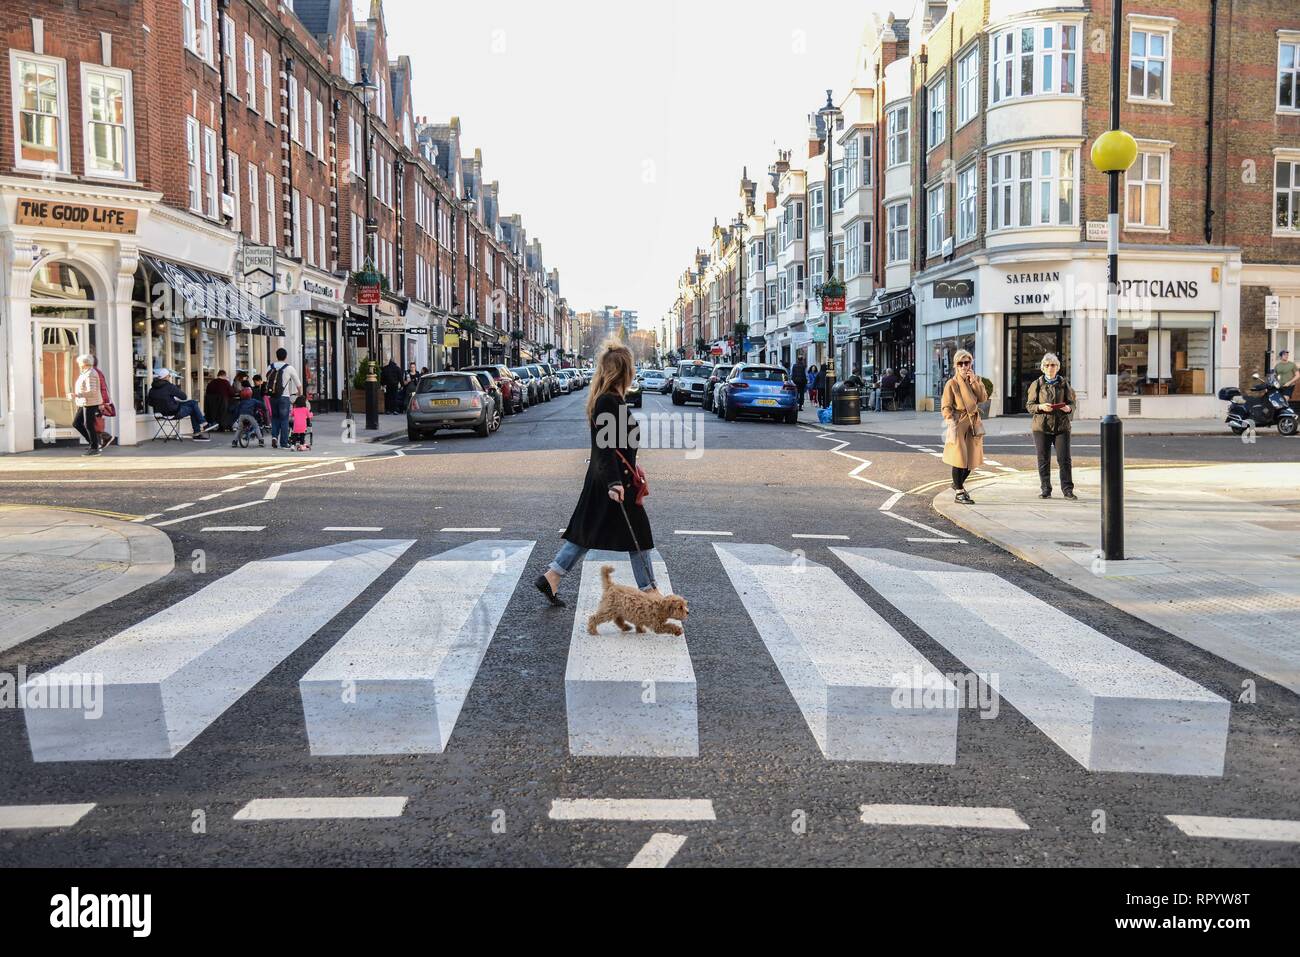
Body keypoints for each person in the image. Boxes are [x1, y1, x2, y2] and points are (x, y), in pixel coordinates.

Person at [536, 339, 657, 607]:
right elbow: (605, 447)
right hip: (613, 481)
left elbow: (616, 445)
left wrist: (631, 466)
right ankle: (650, 593)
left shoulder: (609, 400)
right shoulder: (608, 402)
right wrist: (615, 482)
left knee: (587, 530)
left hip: (609, 478)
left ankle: (552, 576)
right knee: (639, 535)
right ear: (625, 371)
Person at [1026, 353, 1077, 501]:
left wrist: (1069, 408)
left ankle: (1068, 490)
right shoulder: (1037, 384)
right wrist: (1041, 406)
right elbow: (1029, 406)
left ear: (1057, 367)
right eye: (1047, 365)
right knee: (1043, 459)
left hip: (1062, 427)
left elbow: (1072, 403)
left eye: (1053, 365)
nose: (1050, 368)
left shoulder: (1064, 383)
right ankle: (1045, 490)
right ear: (1043, 368)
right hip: (1041, 427)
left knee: (1064, 460)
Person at [941, 349, 988, 505]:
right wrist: (949, 420)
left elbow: (982, 398)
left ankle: (957, 484)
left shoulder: (976, 380)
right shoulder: (952, 383)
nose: (963, 366)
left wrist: (974, 381)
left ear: (971, 364)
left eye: (966, 363)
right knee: (959, 458)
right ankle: (959, 491)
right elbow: (946, 405)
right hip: (959, 422)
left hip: (974, 422)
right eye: (960, 363)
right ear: (955, 365)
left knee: (971, 459)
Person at [147, 369, 214, 441]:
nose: (170, 377)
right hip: (173, 412)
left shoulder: (152, 389)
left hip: (161, 413)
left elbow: (150, 403)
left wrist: (168, 401)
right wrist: (174, 390)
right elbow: (184, 397)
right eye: (169, 376)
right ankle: (201, 428)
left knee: (193, 403)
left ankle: (202, 425)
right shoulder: (169, 386)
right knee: (193, 407)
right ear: (165, 377)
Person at [266, 348, 302, 450]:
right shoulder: (289, 368)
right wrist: (299, 394)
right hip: (284, 397)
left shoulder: (270, 367)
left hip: (272, 396)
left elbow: (267, 380)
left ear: (276, 356)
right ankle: (284, 443)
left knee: (275, 418)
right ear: (285, 356)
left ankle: (274, 437)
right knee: (284, 419)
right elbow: (298, 384)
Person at [72, 354, 103, 456]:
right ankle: (93, 443)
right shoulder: (85, 373)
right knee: (77, 423)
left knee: (89, 424)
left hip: (90, 402)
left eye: (80, 363)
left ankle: (94, 447)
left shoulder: (91, 374)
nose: (79, 365)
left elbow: (92, 392)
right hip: (84, 402)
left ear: (84, 363)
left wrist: (77, 394)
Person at [91, 355, 117, 449]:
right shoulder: (95, 372)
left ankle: (105, 438)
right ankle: (97, 443)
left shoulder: (95, 372)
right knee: (93, 422)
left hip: (96, 401)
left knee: (93, 422)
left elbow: (102, 388)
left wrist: (103, 402)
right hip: (95, 401)